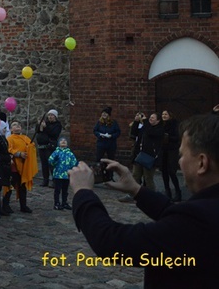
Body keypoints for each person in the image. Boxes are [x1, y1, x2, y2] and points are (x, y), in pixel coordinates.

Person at [69, 113, 219, 288]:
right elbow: (176, 218)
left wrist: (83, 192)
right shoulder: (204, 213)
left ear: (202, 163)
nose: (180, 162)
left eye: (182, 155)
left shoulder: (198, 220)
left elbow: (111, 241)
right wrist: (137, 190)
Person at [6, 121, 37, 213]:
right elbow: (9, 149)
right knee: (11, 186)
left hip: (24, 166)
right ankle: (6, 205)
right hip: (14, 166)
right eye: (14, 125)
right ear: (11, 129)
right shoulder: (10, 139)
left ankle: (23, 206)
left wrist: (30, 148)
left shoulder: (25, 138)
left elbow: (31, 147)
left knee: (22, 186)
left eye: (18, 125)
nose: (17, 126)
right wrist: (19, 154)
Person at [131, 113, 165, 193]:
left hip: (150, 157)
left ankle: (152, 195)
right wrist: (136, 122)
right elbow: (134, 133)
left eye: (153, 118)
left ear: (158, 120)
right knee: (135, 176)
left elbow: (151, 132)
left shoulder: (159, 129)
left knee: (148, 178)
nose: (150, 119)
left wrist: (145, 121)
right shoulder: (145, 127)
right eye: (150, 117)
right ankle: (133, 193)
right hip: (140, 155)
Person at [35, 109, 63, 187]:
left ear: (55, 117)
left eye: (52, 115)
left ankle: (55, 181)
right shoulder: (46, 123)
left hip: (50, 146)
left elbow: (53, 134)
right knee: (44, 164)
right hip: (42, 146)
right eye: (49, 115)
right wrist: (39, 124)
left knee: (51, 164)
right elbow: (38, 131)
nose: (50, 117)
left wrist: (45, 127)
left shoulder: (57, 125)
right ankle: (45, 180)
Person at [48, 137, 78, 210]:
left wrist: (73, 168)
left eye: (65, 141)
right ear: (59, 143)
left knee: (65, 191)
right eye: (61, 140)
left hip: (66, 175)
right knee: (57, 190)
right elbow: (50, 161)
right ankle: (56, 203)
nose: (63, 141)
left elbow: (74, 163)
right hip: (58, 175)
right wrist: (54, 160)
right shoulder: (56, 152)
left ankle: (64, 203)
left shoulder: (70, 153)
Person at [160, 110, 181, 201]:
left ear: (170, 115)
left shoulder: (174, 125)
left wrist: (167, 137)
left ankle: (178, 191)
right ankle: (167, 191)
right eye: (163, 114)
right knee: (164, 171)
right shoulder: (160, 125)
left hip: (172, 150)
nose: (164, 116)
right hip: (163, 150)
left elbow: (177, 137)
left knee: (172, 172)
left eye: (166, 114)